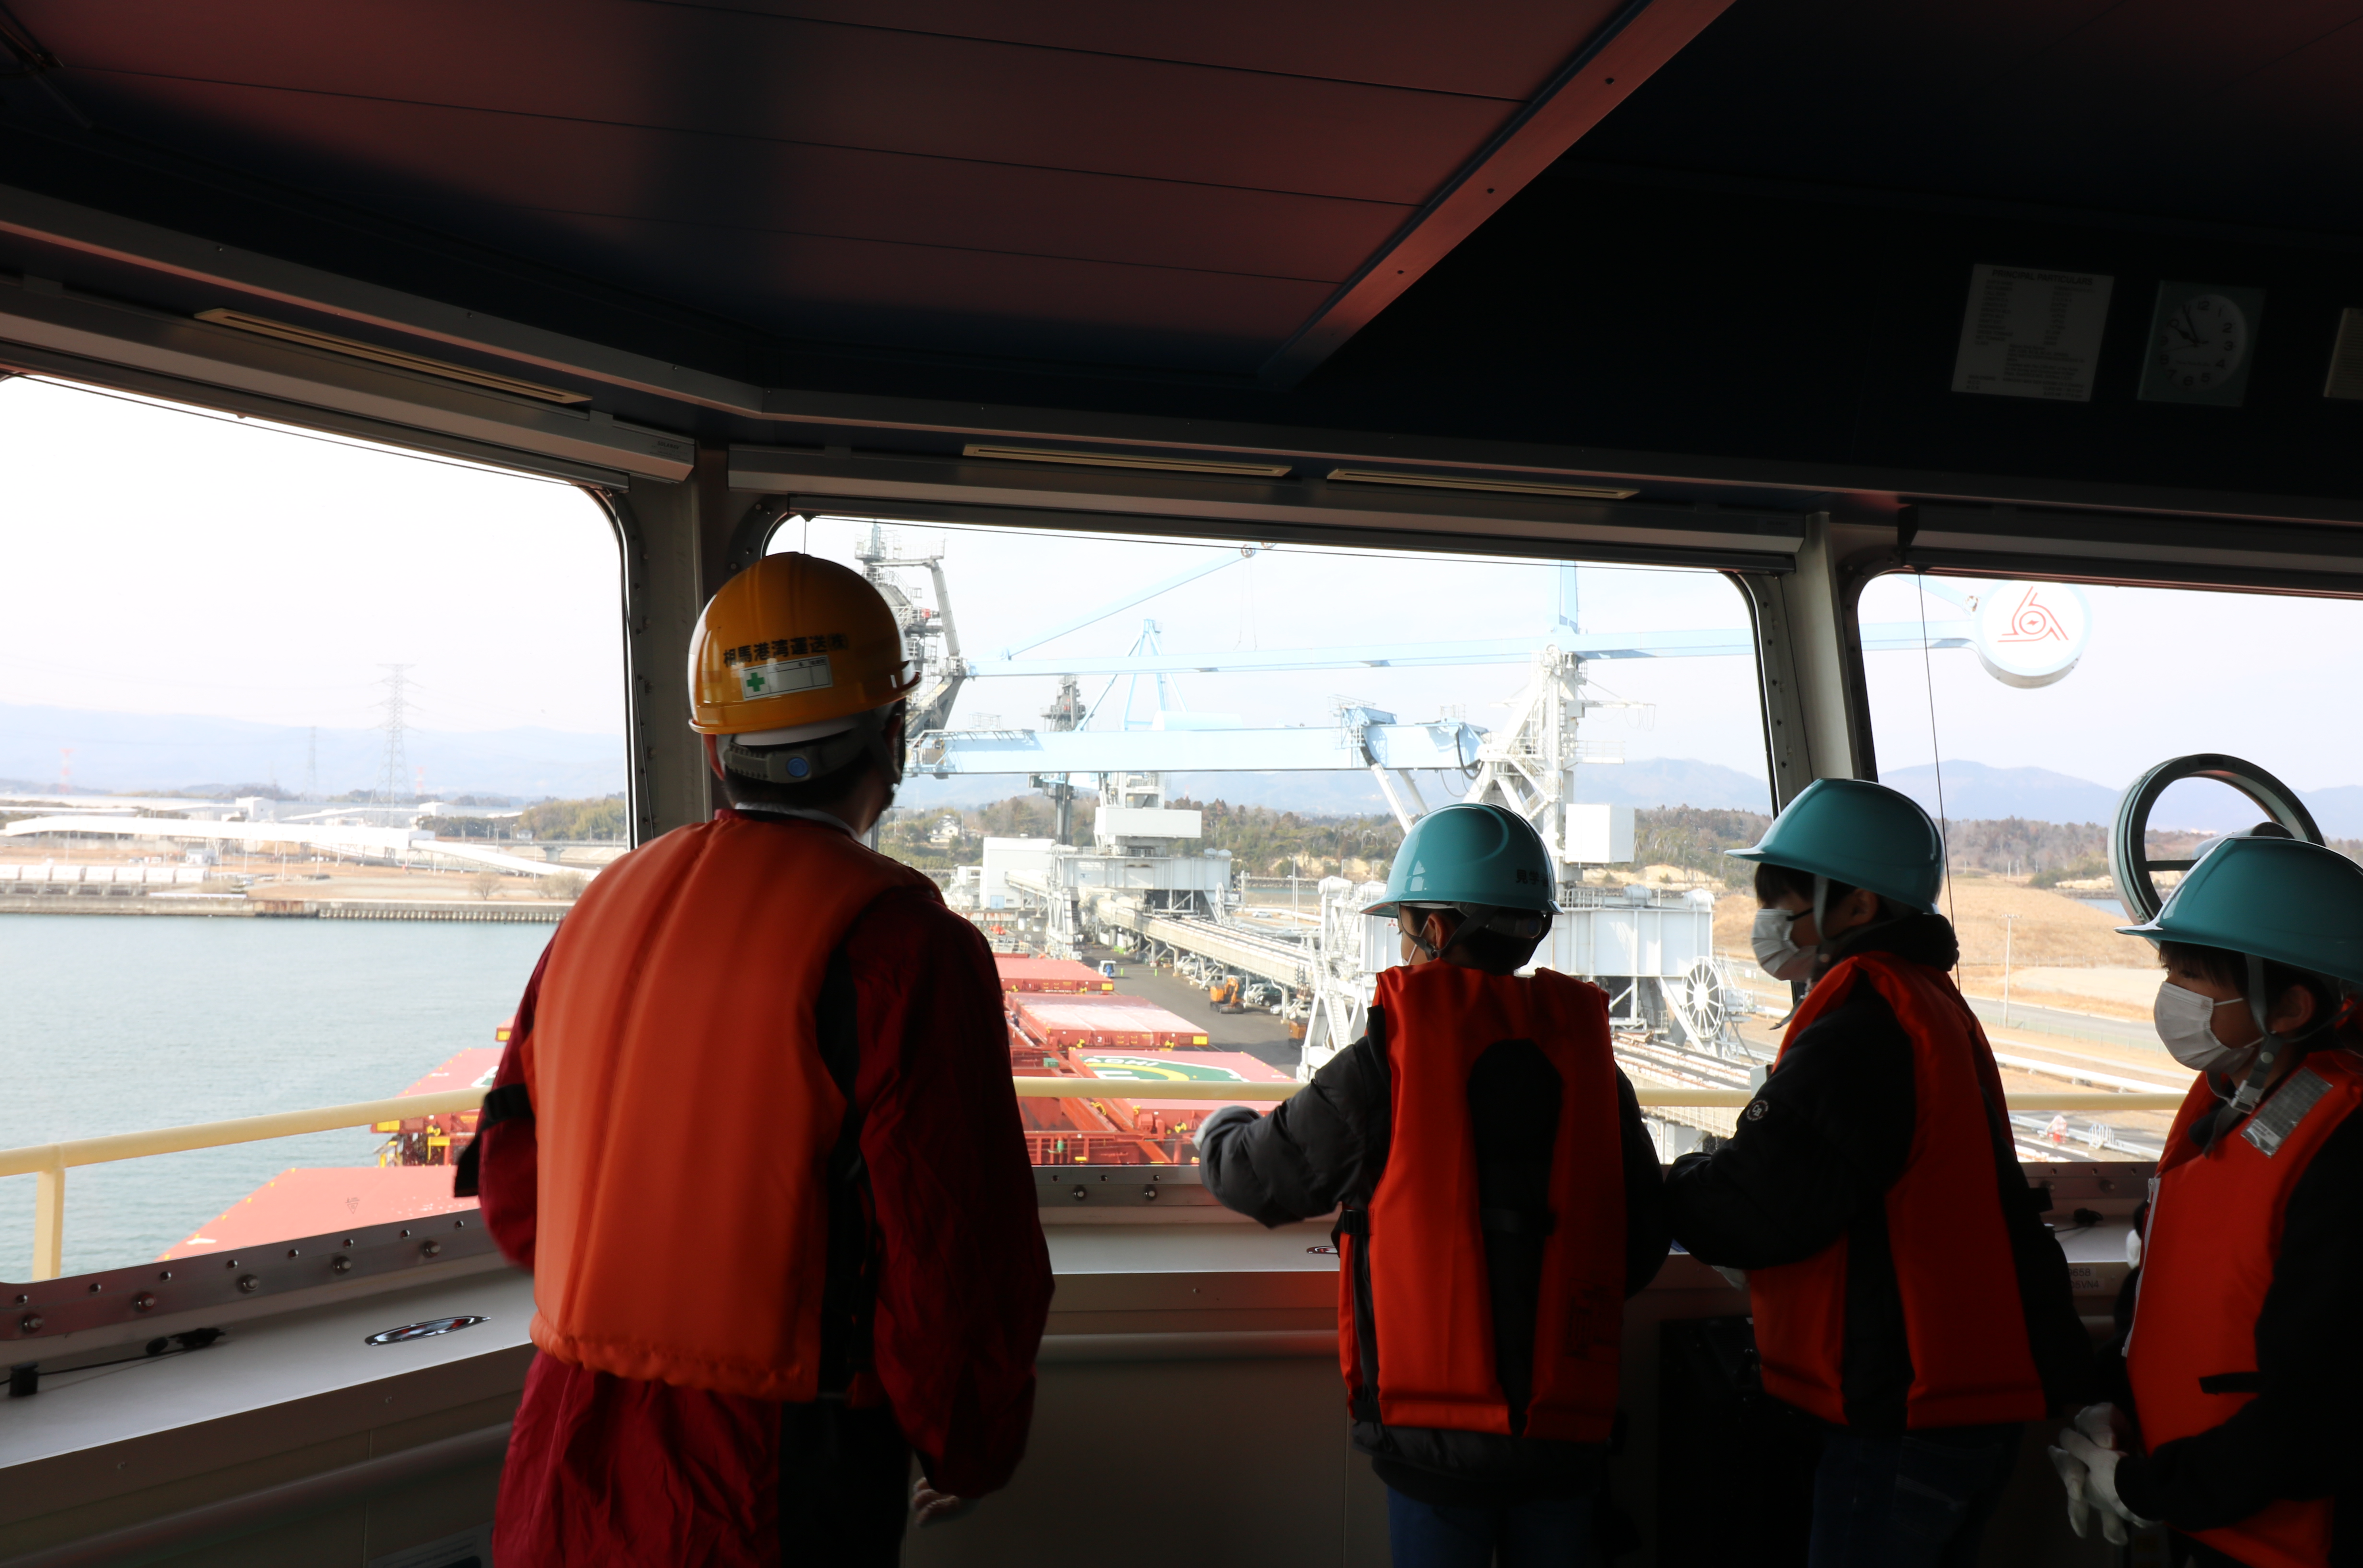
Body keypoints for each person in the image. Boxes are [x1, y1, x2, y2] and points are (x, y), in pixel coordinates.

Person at [457, 552, 1054, 1565]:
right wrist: (970, 1444)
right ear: (893, 736)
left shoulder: (601, 908)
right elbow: (952, 1254)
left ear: (715, 745)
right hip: (768, 1482)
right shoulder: (907, 950)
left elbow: (517, 1195)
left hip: (563, 1454)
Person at [1196, 802, 1669, 1568]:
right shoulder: (1595, 1074)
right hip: (1566, 1442)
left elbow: (1259, 1178)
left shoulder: (1387, 1066)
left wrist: (1218, 1126)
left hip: (1435, 1450)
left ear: (1437, 930)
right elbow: (1639, 1245)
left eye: (1404, 924)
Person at [1665, 778, 2093, 1567]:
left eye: (1787, 901)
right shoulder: (1923, 1002)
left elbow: (1755, 1205)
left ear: (1857, 906)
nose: (1771, 923)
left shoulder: (1862, 1029)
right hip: (1949, 1399)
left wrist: (1670, 1180)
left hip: (1902, 1413)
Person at [2049, 836, 2363, 1565]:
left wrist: (2150, 1489)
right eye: (2171, 972)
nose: (2172, 997)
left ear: (2290, 1006)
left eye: (2192, 977)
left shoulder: (2344, 1152)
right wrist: (2114, 1400)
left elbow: (2319, 1407)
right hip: (2211, 1515)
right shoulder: (2236, 1105)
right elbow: (2174, 1285)